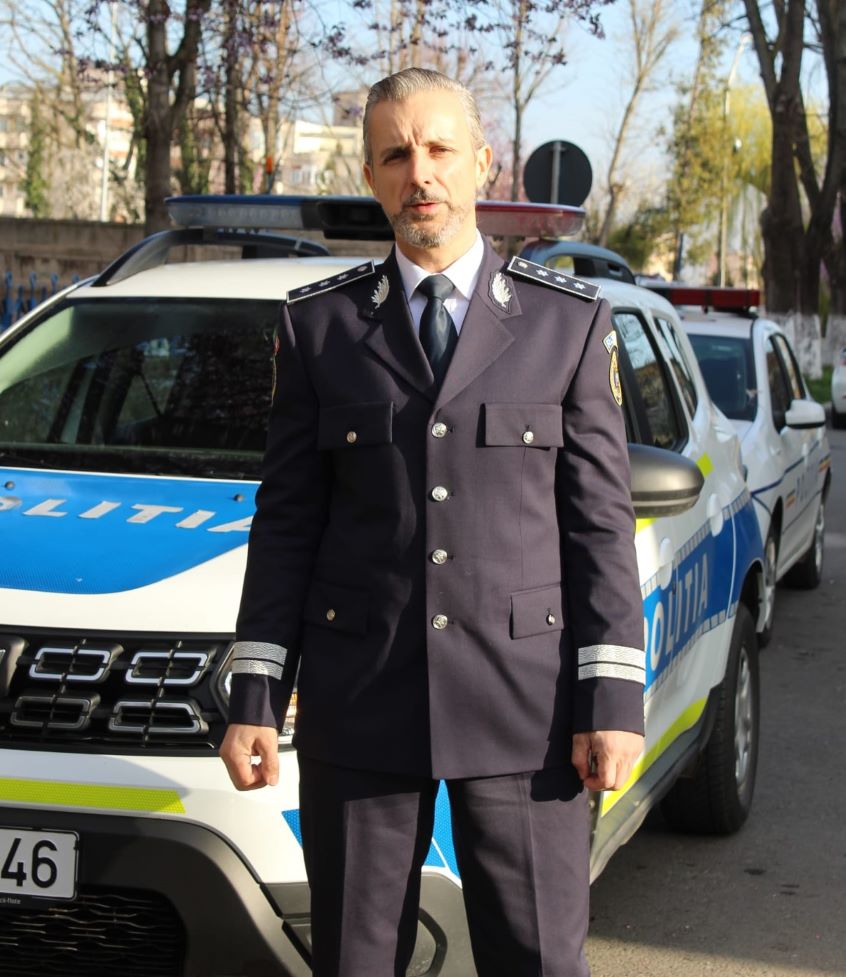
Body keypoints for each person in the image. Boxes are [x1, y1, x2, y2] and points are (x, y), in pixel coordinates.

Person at [220, 67, 645, 977]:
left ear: (483, 162)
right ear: (371, 178)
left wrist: (611, 703)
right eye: (396, 155)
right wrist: (255, 693)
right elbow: (287, 523)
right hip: (361, 701)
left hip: (527, 707)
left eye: (441, 148)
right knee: (355, 960)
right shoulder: (320, 327)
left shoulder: (566, 325)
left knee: (537, 959)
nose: (421, 173)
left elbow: (601, 528)